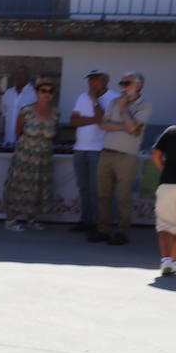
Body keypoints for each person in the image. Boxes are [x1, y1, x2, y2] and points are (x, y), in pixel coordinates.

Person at [95, 71, 152, 246]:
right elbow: (103, 125)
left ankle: (122, 231)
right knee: (103, 194)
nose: (122, 87)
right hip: (107, 153)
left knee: (123, 196)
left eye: (126, 83)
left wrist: (123, 108)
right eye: (121, 83)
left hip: (126, 157)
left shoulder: (144, 106)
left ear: (138, 86)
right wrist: (125, 126)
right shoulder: (113, 102)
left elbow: (135, 129)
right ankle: (103, 229)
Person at [2, 77, 60, 232]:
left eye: (50, 91)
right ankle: (10, 219)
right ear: (37, 92)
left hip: (43, 158)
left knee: (37, 187)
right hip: (25, 155)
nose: (47, 94)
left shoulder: (55, 113)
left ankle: (32, 219)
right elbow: (18, 131)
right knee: (18, 185)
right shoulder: (26, 110)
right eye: (43, 91)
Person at [68, 69, 118, 238]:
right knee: (83, 187)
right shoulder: (82, 97)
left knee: (97, 189)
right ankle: (85, 220)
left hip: (100, 149)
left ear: (105, 80)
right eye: (90, 80)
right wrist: (94, 119)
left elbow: (104, 120)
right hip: (80, 148)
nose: (91, 83)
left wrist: (96, 102)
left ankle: (99, 224)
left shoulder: (114, 98)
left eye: (95, 79)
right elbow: (73, 121)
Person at [151, 117, 176, 275]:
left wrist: (163, 169)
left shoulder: (171, 131)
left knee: (166, 224)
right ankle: (173, 260)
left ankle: (167, 260)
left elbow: (156, 154)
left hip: (169, 183)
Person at [0, 65, 35, 145]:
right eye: (17, 74)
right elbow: (5, 115)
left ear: (28, 76)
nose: (19, 76)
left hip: (26, 143)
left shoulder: (34, 95)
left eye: (22, 74)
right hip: (8, 141)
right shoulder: (8, 93)